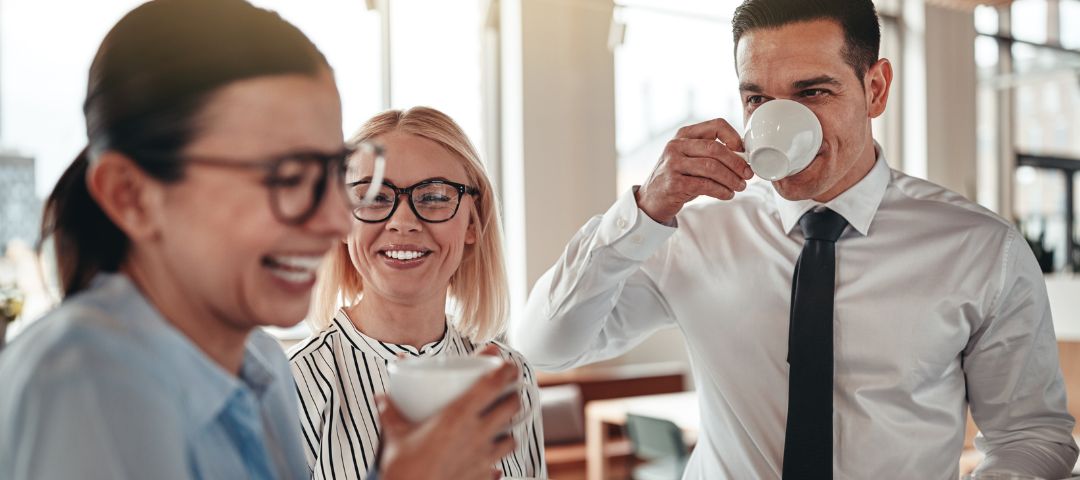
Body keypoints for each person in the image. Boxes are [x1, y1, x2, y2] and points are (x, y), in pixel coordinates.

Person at [511, 0, 1078, 478]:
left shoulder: (980, 249)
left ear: (875, 88)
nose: (781, 118)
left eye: (812, 93)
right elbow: (544, 345)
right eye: (758, 99)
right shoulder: (690, 232)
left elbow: (1031, 435)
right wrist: (639, 211)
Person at [0, 2, 521, 479]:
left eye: (329, 173)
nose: (336, 224)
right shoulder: (81, 385)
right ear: (132, 196)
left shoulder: (262, 366)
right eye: (286, 177)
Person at [289, 106, 547, 480]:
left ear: (472, 223)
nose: (403, 222)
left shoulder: (512, 377)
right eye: (374, 197)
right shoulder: (293, 384)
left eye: (435, 197)